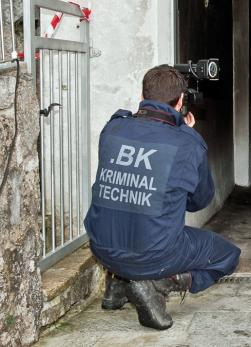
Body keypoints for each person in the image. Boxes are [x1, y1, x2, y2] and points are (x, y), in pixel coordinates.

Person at [84, 65, 241, 330]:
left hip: (102, 247)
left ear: (142, 94)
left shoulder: (113, 128)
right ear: (181, 101)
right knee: (228, 256)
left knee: (128, 209)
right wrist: (188, 133)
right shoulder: (187, 143)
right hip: (154, 256)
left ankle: (119, 285)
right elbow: (199, 201)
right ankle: (158, 283)